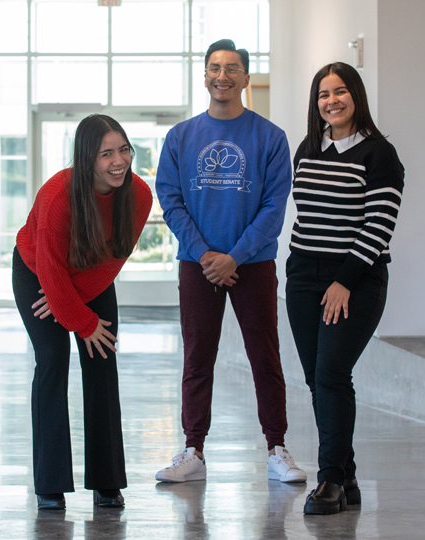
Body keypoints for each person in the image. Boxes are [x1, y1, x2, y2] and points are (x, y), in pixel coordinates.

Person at [154, 39, 306, 485]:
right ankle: (193, 450)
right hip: (197, 263)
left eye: (232, 68)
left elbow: (274, 208)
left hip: (253, 264)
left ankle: (277, 447)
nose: (223, 75)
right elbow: (170, 199)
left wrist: (234, 256)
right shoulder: (180, 137)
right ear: (204, 76)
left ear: (245, 77)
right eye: (215, 67)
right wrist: (205, 255)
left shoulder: (271, 138)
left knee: (266, 357)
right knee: (198, 357)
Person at [12, 114, 152, 511]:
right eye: (106, 153)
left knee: (101, 358)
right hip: (38, 273)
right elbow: (51, 268)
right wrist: (71, 312)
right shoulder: (58, 195)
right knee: (53, 360)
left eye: (123, 150)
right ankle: (50, 484)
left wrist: (78, 312)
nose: (118, 161)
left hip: (95, 275)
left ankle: (107, 482)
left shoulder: (139, 195)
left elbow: (116, 258)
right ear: (87, 158)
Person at [287, 62, 404, 515]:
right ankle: (347, 477)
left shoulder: (379, 154)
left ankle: (330, 480)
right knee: (318, 379)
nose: (331, 101)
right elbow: (306, 215)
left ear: (356, 95)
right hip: (303, 276)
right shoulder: (308, 148)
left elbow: (379, 226)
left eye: (339, 92)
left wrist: (344, 281)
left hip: (356, 278)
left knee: (332, 373)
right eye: (322, 94)